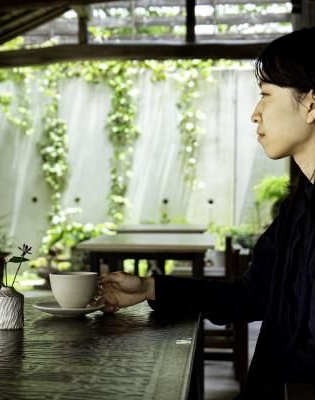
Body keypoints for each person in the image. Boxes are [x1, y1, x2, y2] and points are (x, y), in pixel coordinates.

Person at [98, 27, 315, 399]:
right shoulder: (297, 206)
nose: (254, 114)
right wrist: (151, 287)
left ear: (311, 104)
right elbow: (251, 295)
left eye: (265, 95)